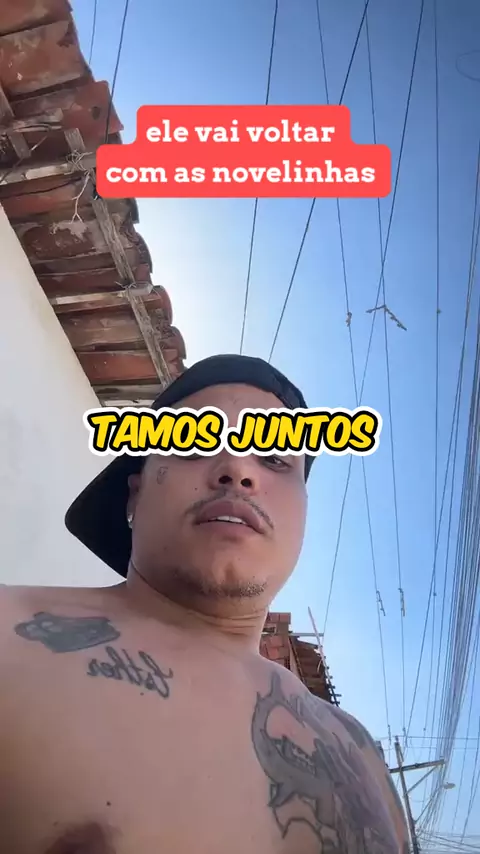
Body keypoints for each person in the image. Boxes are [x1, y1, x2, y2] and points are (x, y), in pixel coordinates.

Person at [0, 354, 409, 854]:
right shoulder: (10, 639)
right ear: (134, 495)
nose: (236, 467)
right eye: (194, 442)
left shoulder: (362, 757)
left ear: (303, 510)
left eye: (275, 458)